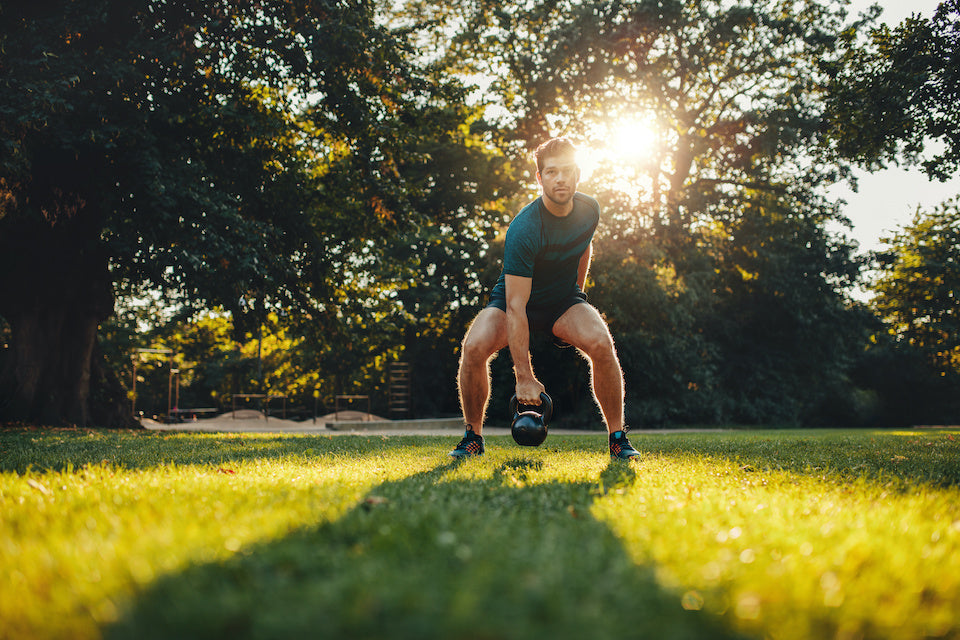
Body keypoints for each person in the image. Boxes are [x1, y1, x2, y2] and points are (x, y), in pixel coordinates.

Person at [450, 137, 641, 459]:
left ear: (578, 173)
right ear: (539, 178)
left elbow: (583, 245)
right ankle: (472, 438)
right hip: (513, 301)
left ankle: (618, 438)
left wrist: (577, 294)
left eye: (566, 171)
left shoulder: (589, 209)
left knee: (601, 343)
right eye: (551, 172)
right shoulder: (524, 229)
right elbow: (515, 306)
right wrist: (524, 378)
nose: (560, 178)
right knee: (473, 348)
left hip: (562, 301)